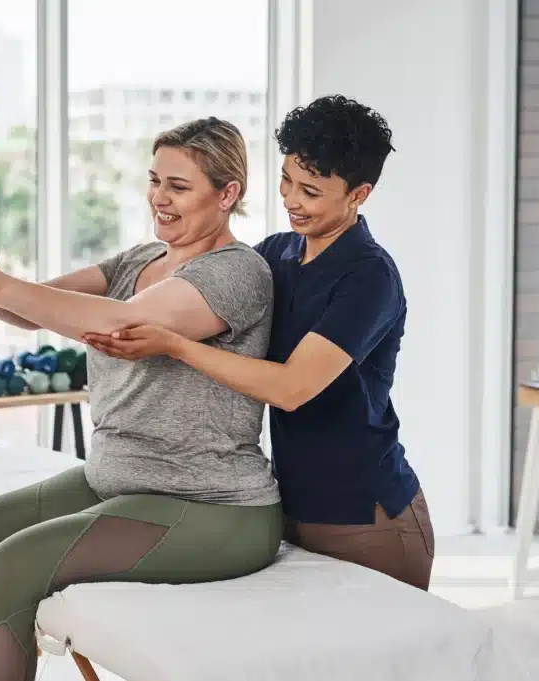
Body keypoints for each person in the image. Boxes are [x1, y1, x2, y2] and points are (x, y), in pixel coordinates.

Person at [0, 117, 284, 681]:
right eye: (154, 180)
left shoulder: (239, 272)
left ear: (228, 195)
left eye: (178, 186)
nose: (159, 198)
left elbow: (125, 324)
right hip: (113, 477)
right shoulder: (138, 260)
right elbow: (36, 308)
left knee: (10, 567)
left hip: (212, 507)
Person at [84, 95, 435, 592]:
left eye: (310, 192)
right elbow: (210, 289)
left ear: (359, 195)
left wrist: (176, 345)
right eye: (287, 181)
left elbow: (293, 387)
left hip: (368, 518)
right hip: (290, 505)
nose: (291, 200)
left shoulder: (369, 278)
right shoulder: (277, 253)